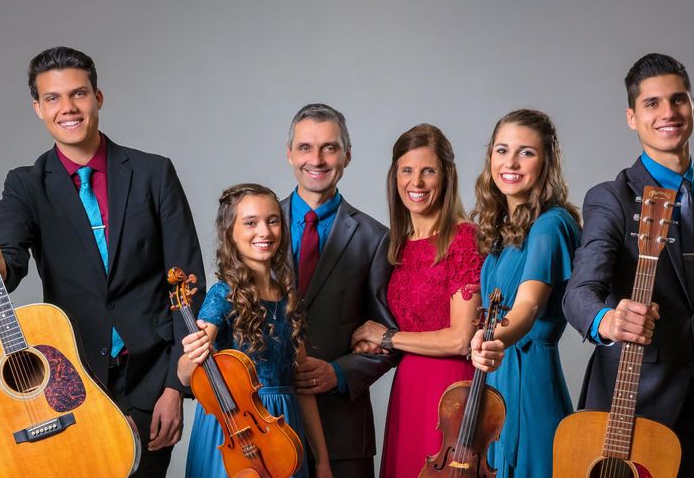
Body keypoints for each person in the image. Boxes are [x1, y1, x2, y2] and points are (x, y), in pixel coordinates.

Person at [0, 46, 205, 477]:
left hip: (149, 380)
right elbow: (9, 266)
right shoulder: (26, 185)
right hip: (71, 383)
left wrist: (175, 386)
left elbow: (187, 281)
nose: (67, 108)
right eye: (52, 98)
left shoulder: (153, 173)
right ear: (37, 108)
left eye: (78, 94)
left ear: (98, 98)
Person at [562, 53, 694, 477]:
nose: (668, 113)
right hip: (636, 407)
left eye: (678, 100)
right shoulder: (611, 197)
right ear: (631, 117)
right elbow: (579, 292)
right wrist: (606, 321)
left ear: (693, 107)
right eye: (652, 104)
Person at [350, 124, 482, 478]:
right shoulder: (397, 245)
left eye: (428, 171)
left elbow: (461, 339)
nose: (416, 183)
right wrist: (369, 343)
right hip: (408, 388)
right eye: (407, 170)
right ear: (395, 176)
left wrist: (386, 337)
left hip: (450, 393)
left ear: (446, 176)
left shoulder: (463, 239)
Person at [180, 183, 331, 478]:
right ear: (231, 234)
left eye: (272, 220)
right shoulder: (223, 295)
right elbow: (186, 375)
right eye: (251, 223)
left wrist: (322, 459)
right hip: (235, 430)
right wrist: (192, 355)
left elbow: (302, 383)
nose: (264, 231)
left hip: (284, 430)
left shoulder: (290, 300)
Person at [280, 103, 399, 477]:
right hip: (268, 423)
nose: (316, 159)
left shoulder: (375, 239)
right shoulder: (257, 227)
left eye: (329, 148)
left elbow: (388, 336)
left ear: (347, 155)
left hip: (343, 431)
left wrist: (339, 373)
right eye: (305, 147)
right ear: (289, 154)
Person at [466, 109, 581, 478]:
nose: (510, 162)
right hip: (497, 380)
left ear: (547, 162)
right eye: (502, 150)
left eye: (526, 153)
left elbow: (527, 308)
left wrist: (489, 341)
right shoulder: (506, 229)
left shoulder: (550, 225)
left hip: (529, 382)